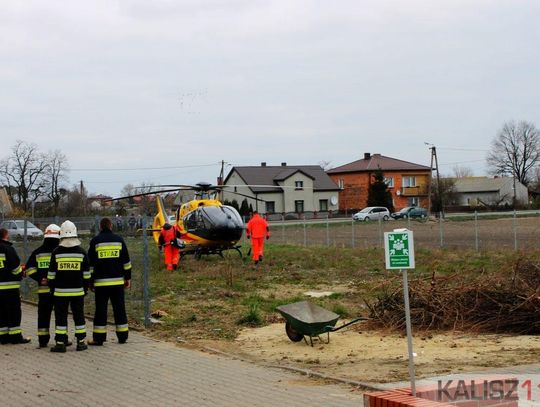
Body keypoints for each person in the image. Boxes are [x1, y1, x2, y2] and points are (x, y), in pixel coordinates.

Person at [47, 221, 90, 353]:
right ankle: (81, 342)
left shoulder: (56, 252)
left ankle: (60, 343)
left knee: (61, 317)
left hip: (60, 293)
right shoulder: (82, 253)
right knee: (79, 316)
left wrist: (53, 289)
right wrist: (85, 289)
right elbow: (87, 275)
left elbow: (51, 275)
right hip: (78, 292)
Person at [87, 217, 131, 346]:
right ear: (111, 226)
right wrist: (127, 278)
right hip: (117, 283)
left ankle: (99, 339)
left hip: (101, 284)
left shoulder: (95, 241)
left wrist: (90, 281)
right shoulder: (119, 240)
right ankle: (122, 337)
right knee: (120, 309)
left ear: (101, 227)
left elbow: (90, 265)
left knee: (100, 310)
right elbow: (126, 262)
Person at [25, 224, 61, 348]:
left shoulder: (38, 252)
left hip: (43, 290)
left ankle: (43, 340)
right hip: (58, 290)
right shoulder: (60, 252)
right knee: (60, 316)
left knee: (43, 315)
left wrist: (40, 279)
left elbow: (29, 269)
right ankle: (61, 339)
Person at [0, 228, 31, 344]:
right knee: (14, 312)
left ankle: (3, 337)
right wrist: (21, 270)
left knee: (1, 313)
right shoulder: (8, 249)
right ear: (6, 235)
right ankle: (15, 337)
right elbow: (15, 268)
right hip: (10, 287)